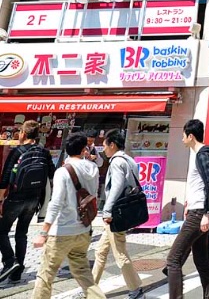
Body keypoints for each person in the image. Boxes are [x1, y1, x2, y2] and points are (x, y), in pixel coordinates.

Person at [31, 132, 105, 299]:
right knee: (83, 272)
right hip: (83, 229)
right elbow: (93, 194)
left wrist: (43, 232)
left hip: (62, 231)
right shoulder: (93, 168)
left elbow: (56, 203)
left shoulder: (63, 172)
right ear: (83, 149)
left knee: (46, 273)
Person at [165, 119, 209, 299]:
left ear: (191, 136)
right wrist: (188, 203)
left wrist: (206, 213)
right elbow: (199, 185)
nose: (182, 139)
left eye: (184, 135)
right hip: (198, 210)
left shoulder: (201, 154)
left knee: (173, 260)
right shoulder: (199, 154)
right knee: (201, 259)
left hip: (200, 212)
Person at [91, 129, 145, 299]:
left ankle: (136, 290)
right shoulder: (130, 160)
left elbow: (117, 187)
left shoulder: (116, 162)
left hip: (115, 214)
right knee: (100, 251)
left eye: (105, 146)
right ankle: (91, 290)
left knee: (120, 254)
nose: (103, 149)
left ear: (112, 145)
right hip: (123, 212)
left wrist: (107, 210)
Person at [0, 120, 55, 285]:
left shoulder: (17, 151)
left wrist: (0, 199)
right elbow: (52, 174)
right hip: (34, 199)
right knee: (21, 233)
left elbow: (4, 178)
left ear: (23, 134)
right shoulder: (44, 152)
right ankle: (17, 273)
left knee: (2, 231)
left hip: (16, 197)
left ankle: (10, 262)